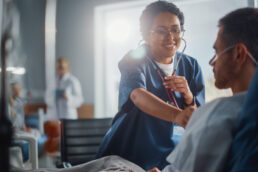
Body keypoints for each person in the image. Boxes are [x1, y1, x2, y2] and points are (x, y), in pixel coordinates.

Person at [96, 1, 205, 170]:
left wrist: (189, 97)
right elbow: (137, 95)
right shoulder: (135, 59)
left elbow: (197, 118)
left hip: (171, 155)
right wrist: (177, 116)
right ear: (146, 35)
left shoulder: (191, 66)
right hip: (130, 152)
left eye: (175, 29)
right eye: (161, 31)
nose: (170, 37)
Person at [149, 7, 258, 172]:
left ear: (238, 54)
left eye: (217, 51)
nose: (212, 62)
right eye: (161, 31)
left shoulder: (219, 113)